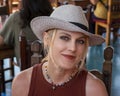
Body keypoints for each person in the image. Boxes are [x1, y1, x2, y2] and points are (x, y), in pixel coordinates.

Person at [12, 5, 108, 96]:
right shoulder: (23, 83)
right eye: (65, 38)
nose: (73, 48)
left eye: (80, 41)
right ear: (47, 39)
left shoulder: (94, 90)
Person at [0, 0, 53, 66]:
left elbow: (1, 41)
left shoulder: (16, 18)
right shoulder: (54, 18)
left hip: (27, 69)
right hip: (52, 68)